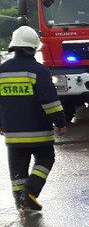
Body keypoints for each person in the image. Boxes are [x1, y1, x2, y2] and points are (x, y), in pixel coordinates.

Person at [0, 26, 68, 212]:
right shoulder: (39, 71)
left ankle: (21, 205)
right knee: (46, 159)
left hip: (13, 135)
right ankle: (30, 193)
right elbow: (50, 102)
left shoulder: (2, 70)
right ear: (34, 48)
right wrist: (60, 122)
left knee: (17, 171)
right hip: (39, 132)